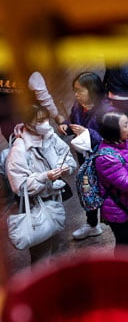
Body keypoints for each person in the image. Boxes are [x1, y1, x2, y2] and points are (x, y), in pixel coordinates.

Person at [5, 104, 77, 263]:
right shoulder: (19, 150)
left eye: (46, 119)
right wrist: (45, 177)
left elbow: (68, 158)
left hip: (55, 201)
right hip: (37, 206)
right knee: (42, 255)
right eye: (40, 120)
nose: (45, 123)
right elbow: (20, 186)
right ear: (28, 123)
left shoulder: (50, 136)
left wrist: (65, 168)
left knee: (56, 244)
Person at [95, 111, 128, 255]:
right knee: (125, 244)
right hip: (118, 210)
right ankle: (123, 273)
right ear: (114, 131)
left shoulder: (122, 143)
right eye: (125, 125)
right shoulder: (106, 158)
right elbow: (126, 183)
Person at [69, 72, 110, 240]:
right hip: (85, 160)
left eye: (80, 90)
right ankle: (92, 225)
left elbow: (111, 141)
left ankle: (117, 222)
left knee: (106, 192)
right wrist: (66, 125)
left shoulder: (107, 110)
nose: (76, 94)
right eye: (75, 90)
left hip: (102, 161)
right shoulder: (78, 106)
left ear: (92, 90)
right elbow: (72, 120)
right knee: (88, 191)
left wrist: (88, 133)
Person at [0, 71, 69, 141]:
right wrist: (56, 116)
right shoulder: (27, 69)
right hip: (33, 122)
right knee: (46, 146)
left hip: (9, 128)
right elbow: (44, 98)